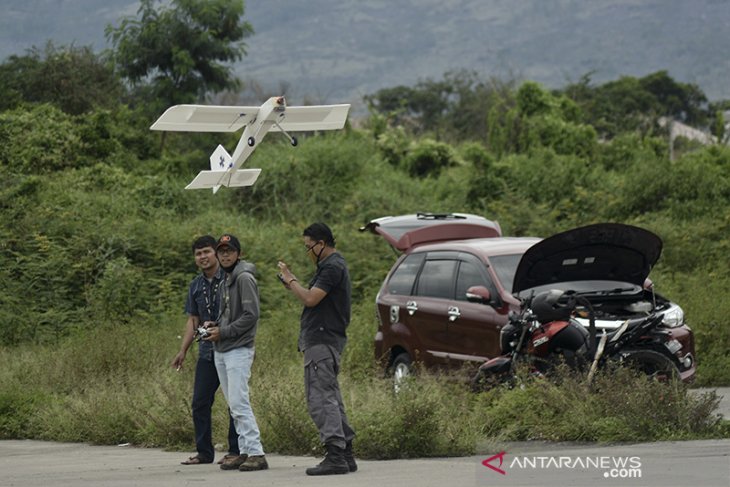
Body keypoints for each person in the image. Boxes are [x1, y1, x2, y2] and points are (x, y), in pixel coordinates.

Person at [277, 222, 357, 476]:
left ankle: (335, 454)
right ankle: (345, 454)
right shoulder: (333, 266)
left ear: (321, 244)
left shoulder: (332, 267)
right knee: (331, 396)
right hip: (326, 339)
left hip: (322, 340)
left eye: (309, 247)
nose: (308, 252)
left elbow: (311, 298)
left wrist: (290, 280)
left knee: (321, 398)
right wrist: (293, 283)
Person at [171, 235, 240, 466]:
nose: (203, 257)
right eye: (198, 254)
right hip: (207, 353)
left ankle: (235, 450)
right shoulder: (195, 285)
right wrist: (183, 350)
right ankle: (204, 453)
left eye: (207, 252)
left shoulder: (231, 279)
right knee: (200, 402)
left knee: (234, 402)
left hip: (231, 348)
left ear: (217, 253)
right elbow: (193, 320)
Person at [203, 233, 268, 472]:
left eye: (229, 250)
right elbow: (230, 312)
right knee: (233, 404)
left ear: (238, 254)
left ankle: (256, 452)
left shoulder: (244, 278)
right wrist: (214, 325)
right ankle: (244, 451)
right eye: (221, 251)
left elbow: (251, 316)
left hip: (238, 348)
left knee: (239, 402)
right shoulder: (227, 278)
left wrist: (224, 331)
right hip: (223, 347)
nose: (225, 254)